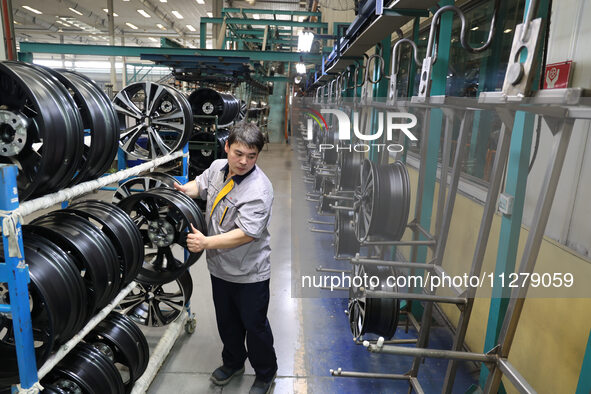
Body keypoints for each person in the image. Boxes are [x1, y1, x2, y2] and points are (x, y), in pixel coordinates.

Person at [174, 122, 277, 394]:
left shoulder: (259, 190)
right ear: (227, 147)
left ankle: (266, 372)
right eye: (238, 153)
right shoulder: (218, 167)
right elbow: (202, 185)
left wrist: (206, 242)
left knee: (254, 326)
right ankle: (233, 363)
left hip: (248, 272)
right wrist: (187, 190)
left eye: (251, 156)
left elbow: (245, 234)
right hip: (220, 269)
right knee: (227, 322)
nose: (244, 161)